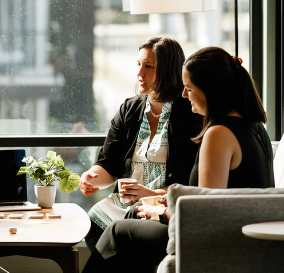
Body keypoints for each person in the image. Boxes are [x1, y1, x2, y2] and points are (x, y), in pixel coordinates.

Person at [80, 46, 273, 273]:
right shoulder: (255, 127)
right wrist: (165, 202)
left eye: (189, 88)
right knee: (133, 217)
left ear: (210, 90)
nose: (183, 95)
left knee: (120, 231)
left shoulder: (218, 134)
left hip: (219, 238)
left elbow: (206, 214)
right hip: (238, 231)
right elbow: (221, 196)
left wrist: (161, 212)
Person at [78, 36, 203, 252]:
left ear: (168, 70)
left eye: (148, 66)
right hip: (126, 201)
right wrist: (91, 178)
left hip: (160, 202)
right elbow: (108, 164)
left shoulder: (190, 113)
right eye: (138, 64)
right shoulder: (129, 109)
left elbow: (189, 181)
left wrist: (149, 193)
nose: (139, 73)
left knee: (124, 230)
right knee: (93, 220)